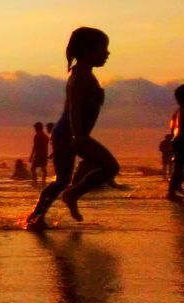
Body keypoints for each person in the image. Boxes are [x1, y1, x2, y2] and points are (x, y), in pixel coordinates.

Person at [26, 27, 119, 229]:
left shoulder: (86, 75)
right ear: (87, 50)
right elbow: (74, 110)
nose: (107, 53)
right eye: (103, 48)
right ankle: (67, 197)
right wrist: (78, 137)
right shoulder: (80, 78)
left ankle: (37, 217)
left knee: (62, 180)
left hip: (71, 135)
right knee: (110, 167)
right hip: (69, 134)